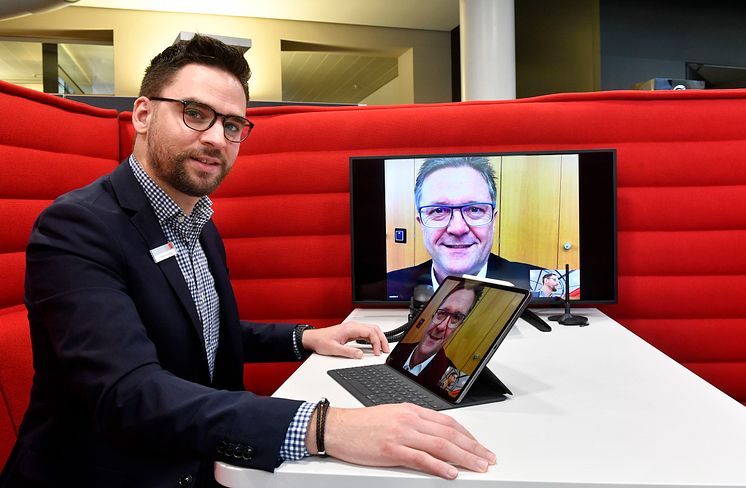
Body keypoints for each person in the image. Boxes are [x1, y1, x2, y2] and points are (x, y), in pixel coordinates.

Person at [0, 36, 495, 487]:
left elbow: (203, 334)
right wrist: (325, 426)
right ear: (143, 114)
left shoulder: (197, 220)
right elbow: (128, 392)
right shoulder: (77, 227)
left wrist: (303, 337)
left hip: (202, 457)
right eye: (195, 113)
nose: (216, 137)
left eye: (232, 124)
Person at [387, 157, 540, 299]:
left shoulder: (537, 286)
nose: (458, 228)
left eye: (474, 209)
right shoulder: (390, 286)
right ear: (421, 223)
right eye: (438, 211)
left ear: (493, 220)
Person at [387, 283, 479, 386]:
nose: (441, 326)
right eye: (442, 313)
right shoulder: (398, 351)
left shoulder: (452, 379)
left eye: (456, 318)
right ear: (434, 314)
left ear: (458, 327)